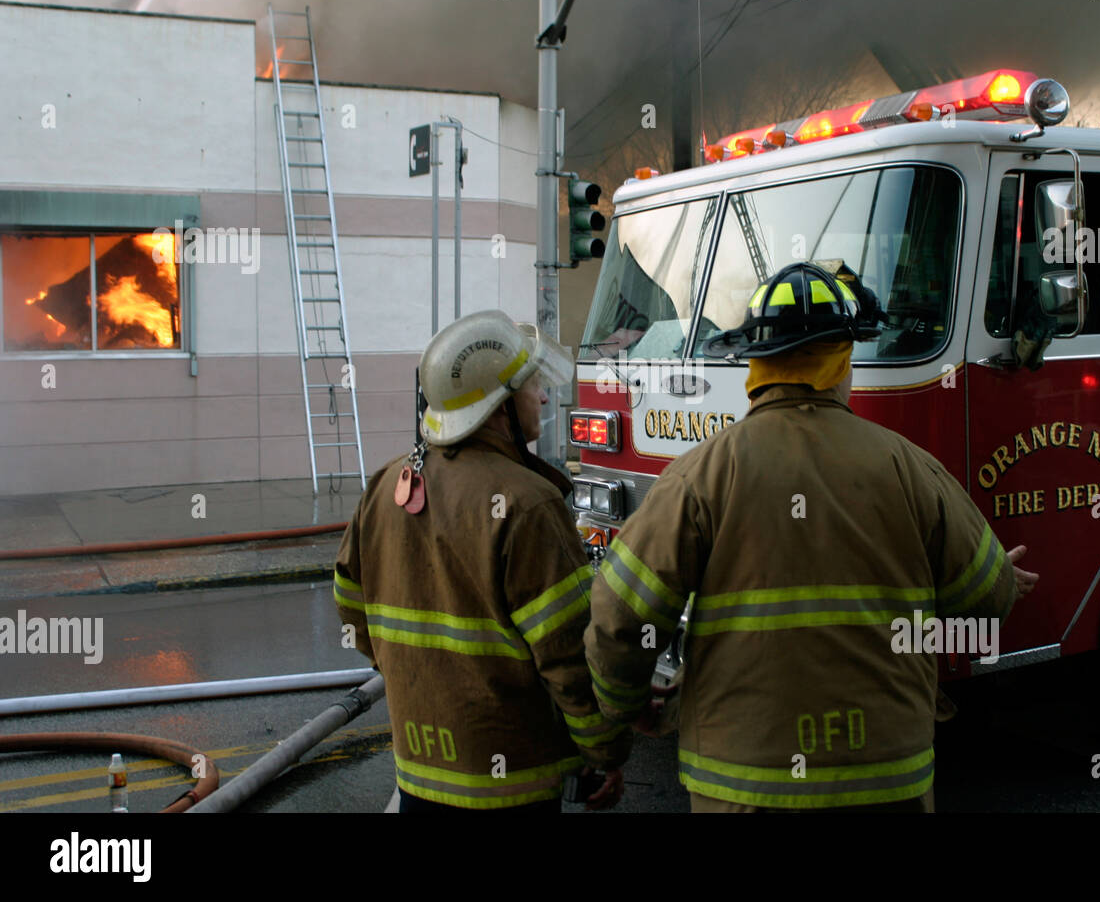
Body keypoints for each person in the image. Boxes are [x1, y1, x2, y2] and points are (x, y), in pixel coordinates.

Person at [583, 262, 1037, 812]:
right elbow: (982, 604)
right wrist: (1003, 579)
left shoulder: (698, 476)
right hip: (884, 778)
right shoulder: (909, 466)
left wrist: (627, 707)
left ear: (755, 364)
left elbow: (618, 615)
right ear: (843, 360)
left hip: (743, 783)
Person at [335, 310, 629, 812]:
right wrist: (604, 751)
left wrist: (416, 678)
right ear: (499, 408)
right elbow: (570, 657)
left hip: (418, 778)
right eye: (531, 385)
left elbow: (352, 610)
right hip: (514, 785)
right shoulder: (528, 503)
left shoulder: (385, 486)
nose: (542, 396)